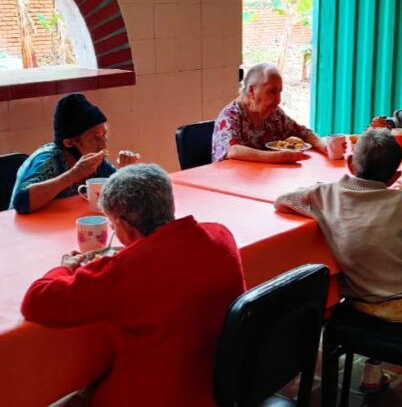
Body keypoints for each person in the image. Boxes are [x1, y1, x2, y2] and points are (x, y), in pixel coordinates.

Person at [21, 164, 246, 406]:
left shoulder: (127, 268)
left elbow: (36, 300)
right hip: (223, 386)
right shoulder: (221, 235)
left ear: (125, 226)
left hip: (154, 396)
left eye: (113, 226)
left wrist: (66, 266)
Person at [274, 129, 402, 406]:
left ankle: (372, 371)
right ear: (394, 177)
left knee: (373, 271)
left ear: (349, 164)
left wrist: (322, 190)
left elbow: (283, 200)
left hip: (365, 303)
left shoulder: (325, 196)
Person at [10, 93, 140, 214]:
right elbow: (21, 202)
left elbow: (116, 191)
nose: (103, 145)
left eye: (104, 135)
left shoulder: (94, 161)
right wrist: (74, 174)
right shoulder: (48, 160)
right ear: (69, 143)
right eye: (94, 138)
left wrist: (126, 171)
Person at [212, 62, 329, 163]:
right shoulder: (230, 115)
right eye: (272, 92)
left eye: (280, 92)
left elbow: (303, 132)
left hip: (266, 179)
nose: (278, 100)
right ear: (252, 91)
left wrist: (323, 146)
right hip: (233, 181)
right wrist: (278, 157)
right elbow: (232, 150)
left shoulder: (274, 114)